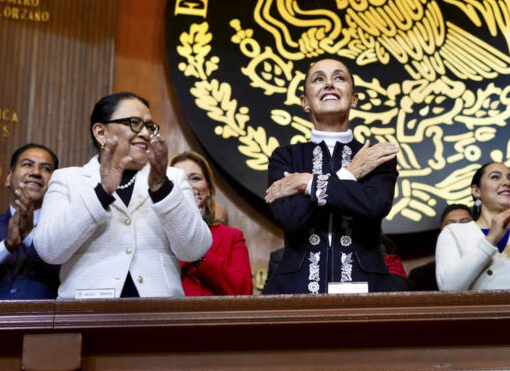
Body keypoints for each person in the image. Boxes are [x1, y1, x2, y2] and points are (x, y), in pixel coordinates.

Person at [33, 92, 211, 298]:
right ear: (101, 132)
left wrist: (162, 189)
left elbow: (195, 249)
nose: (145, 133)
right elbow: (49, 250)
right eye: (135, 123)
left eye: (149, 126)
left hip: (158, 308)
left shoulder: (172, 178)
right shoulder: (68, 179)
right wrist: (101, 193)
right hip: (87, 309)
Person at [263, 57, 400, 294]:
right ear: (305, 101)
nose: (329, 84)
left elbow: (374, 205)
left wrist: (307, 182)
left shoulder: (374, 155)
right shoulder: (285, 157)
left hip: (365, 285)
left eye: (339, 78)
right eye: (318, 79)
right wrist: (350, 174)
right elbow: (291, 217)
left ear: (354, 99)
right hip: (296, 287)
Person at [436, 163, 510, 290]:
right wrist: (491, 239)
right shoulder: (454, 233)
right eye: (495, 177)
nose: (507, 182)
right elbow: (448, 288)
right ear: (476, 191)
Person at [0, 143, 61, 299]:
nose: (36, 172)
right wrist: (6, 246)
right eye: (27, 164)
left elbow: (68, 276)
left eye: (45, 168)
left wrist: (30, 237)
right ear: (9, 178)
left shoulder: (63, 230)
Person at [170, 150, 252, 296]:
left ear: (209, 189)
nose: (187, 185)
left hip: (213, 311)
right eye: (178, 179)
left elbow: (244, 290)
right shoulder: (158, 235)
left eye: (195, 178)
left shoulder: (231, 237)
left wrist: (199, 255)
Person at [407, 203, 475, 291]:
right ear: (440, 236)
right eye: (450, 224)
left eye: (465, 222)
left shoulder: (486, 264)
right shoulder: (420, 276)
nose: (457, 228)